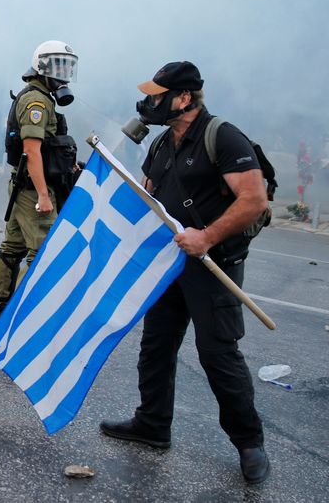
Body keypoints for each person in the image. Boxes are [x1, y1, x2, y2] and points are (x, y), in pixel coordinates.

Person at [100, 61, 270, 484]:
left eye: (158, 95)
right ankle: (152, 425)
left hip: (213, 268)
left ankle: (250, 444)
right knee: (156, 346)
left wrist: (207, 237)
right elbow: (150, 193)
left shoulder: (223, 137)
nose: (149, 102)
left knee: (218, 355)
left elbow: (254, 200)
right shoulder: (162, 143)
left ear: (184, 98)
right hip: (170, 266)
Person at [0, 40, 79, 325]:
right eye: (58, 65)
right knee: (43, 252)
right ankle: (22, 316)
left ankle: (1, 306)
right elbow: (32, 149)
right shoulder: (37, 101)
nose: (63, 72)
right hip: (32, 188)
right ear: (42, 66)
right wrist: (43, 195)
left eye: (67, 66)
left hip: (24, 185)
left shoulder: (40, 97)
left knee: (13, 246)